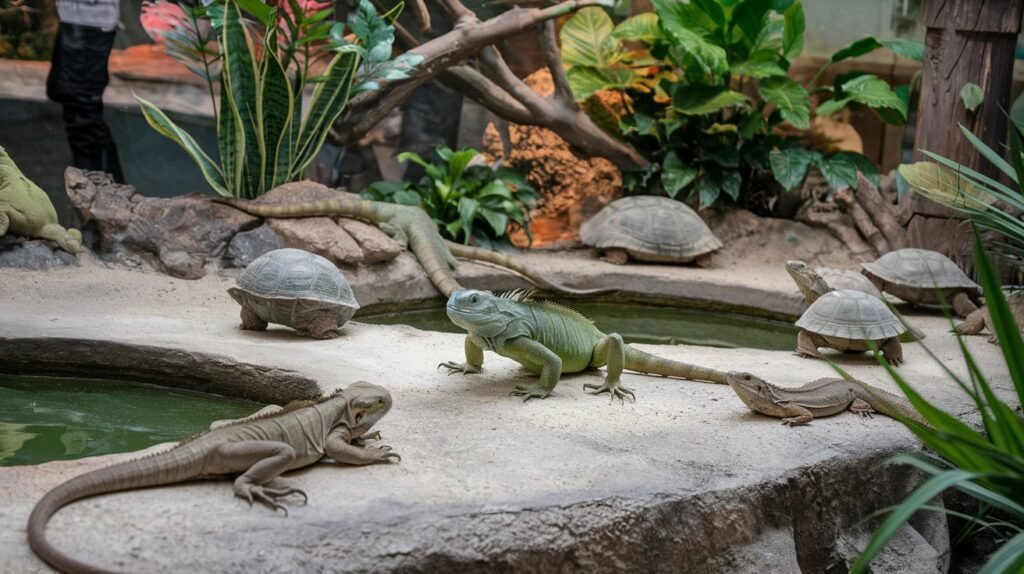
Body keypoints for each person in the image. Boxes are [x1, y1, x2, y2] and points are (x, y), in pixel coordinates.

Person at [46, 0, 124, 181]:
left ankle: (100, 189)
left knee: (82, 110)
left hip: (90, 19)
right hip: (76, 16)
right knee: (61, 91)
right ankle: (107, 187)